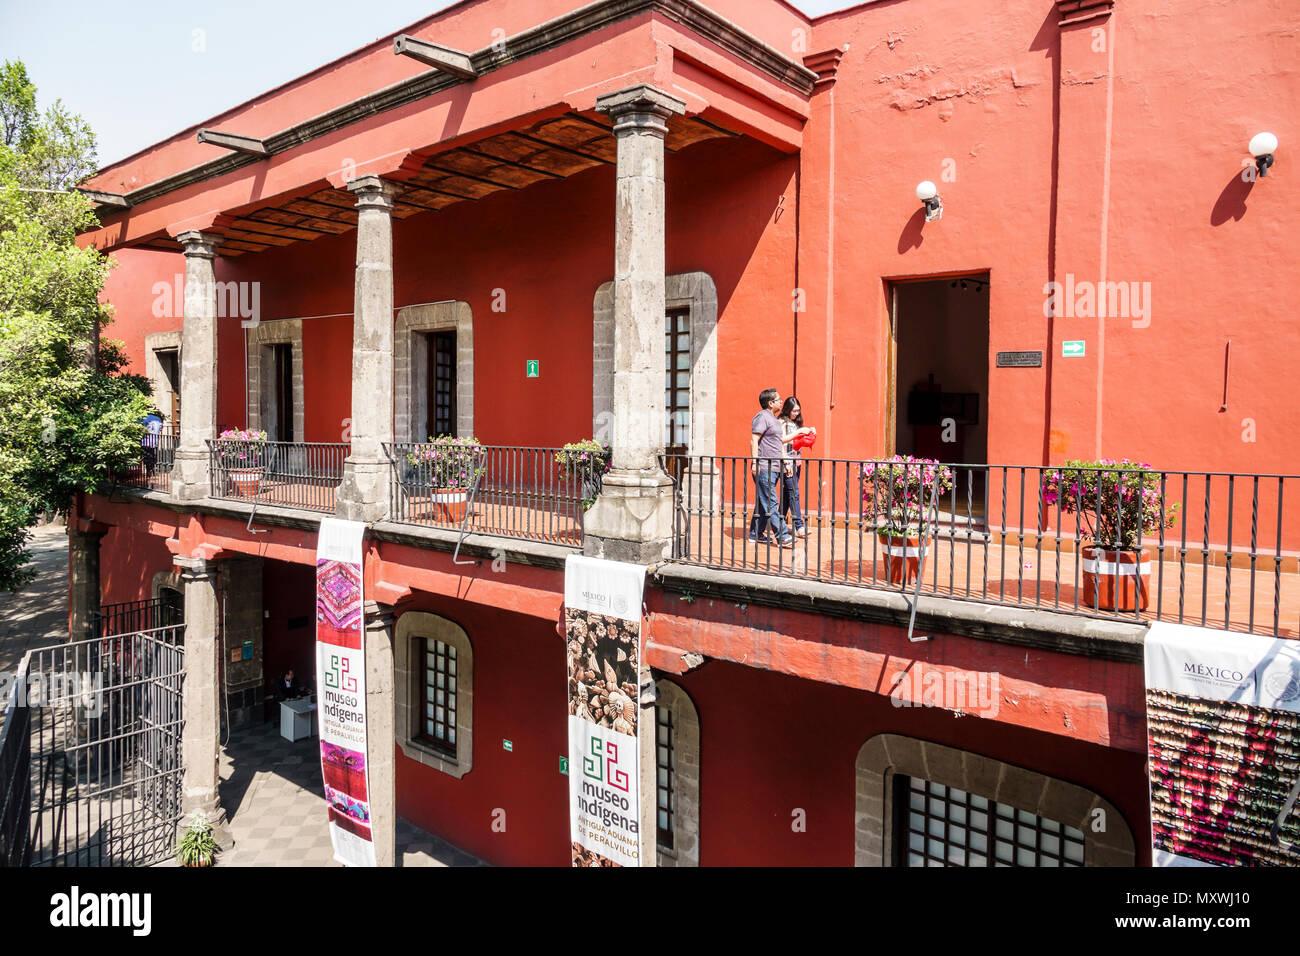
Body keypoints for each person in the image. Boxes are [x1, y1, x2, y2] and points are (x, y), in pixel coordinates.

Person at [748, 388, 793, 547]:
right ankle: (782, 536)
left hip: (774, 467)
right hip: (764, 467)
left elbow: (778, 442)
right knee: (771, 502)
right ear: (770, 403)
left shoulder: (773, 419)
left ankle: (755, 534)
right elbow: (754, 440)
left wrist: (785, 462)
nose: (781, 401)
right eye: (778, 399)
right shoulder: (762, 417)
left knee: (763, 502)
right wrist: (755, 462)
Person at [778, 397, 816, 537]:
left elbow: (798, 442)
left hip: (797, 462)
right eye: (794, 411)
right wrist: (786, 463)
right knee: (794, 493)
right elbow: (780, 443)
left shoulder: (795, 422)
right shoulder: (781, 422)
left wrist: (809, 433)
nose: (796, 413)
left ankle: (778, 522)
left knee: (788, 494)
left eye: (798, 411)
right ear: (787, 409)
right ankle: (799, 526)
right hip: (787, 462)